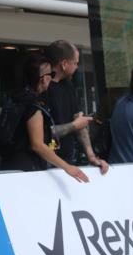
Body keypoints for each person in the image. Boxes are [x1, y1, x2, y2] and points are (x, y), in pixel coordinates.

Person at [0, 53, 89, 183]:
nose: (51, 79)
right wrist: (67, 167)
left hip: (8, 167)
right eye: (51, 74)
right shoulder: (33, 105)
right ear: (43, 79)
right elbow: (37, 145)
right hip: (27, 170)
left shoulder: (12, 100)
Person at [45, 40, 108, 175]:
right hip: (48, 165)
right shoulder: (44, 89)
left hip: (69, 161)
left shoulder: (68, 86)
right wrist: (75, 124)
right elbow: (44, 133)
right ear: (64, 64)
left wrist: (91, 156)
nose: (77, 67)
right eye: (75, 63)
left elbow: (80, 125)